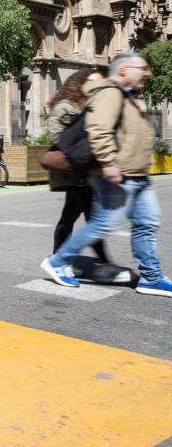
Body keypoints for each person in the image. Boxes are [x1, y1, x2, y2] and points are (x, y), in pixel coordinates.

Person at [41, 52, 172, 295]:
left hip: (136, 174)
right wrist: (109, 163)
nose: (147, 72)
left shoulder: (126, 96)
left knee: (146, 222)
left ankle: (151, 277)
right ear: (123, 70)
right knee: (101, 222)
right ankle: (58, 261)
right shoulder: (109, 93)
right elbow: (98, 129)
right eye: (142, 67)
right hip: (114, 172)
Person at [45, 69, 128, 283]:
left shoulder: (88, 105)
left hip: (84, 170)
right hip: (73, 171)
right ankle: (99, 263)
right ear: (80, 84)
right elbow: (56, 135)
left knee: (75, 216)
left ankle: (63, 261)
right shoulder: (64, 106)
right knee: (90, 218)